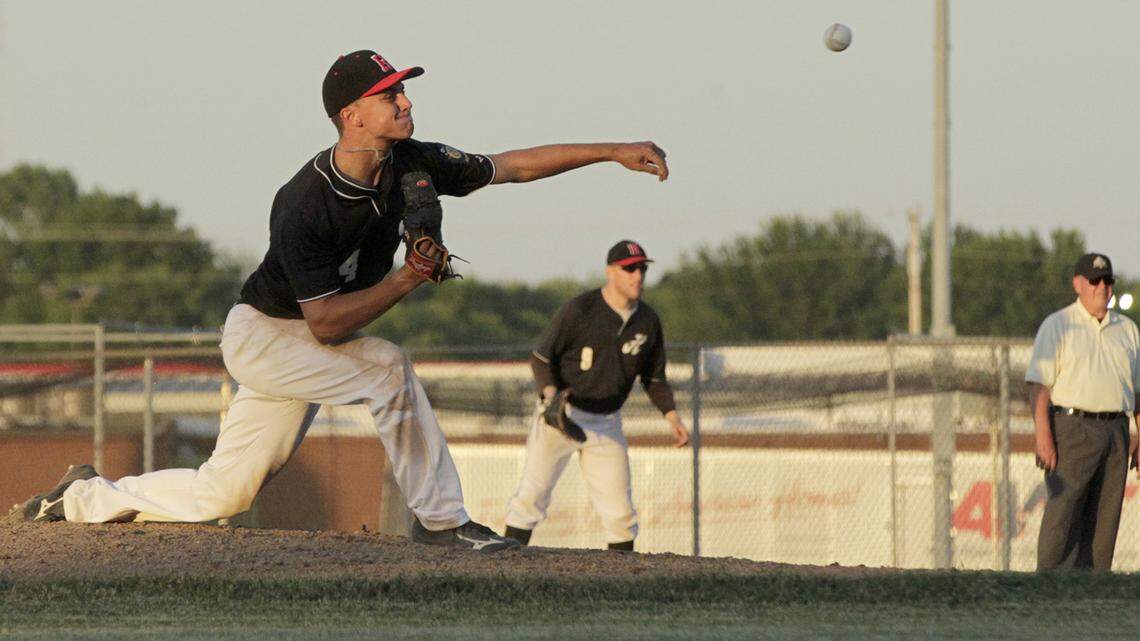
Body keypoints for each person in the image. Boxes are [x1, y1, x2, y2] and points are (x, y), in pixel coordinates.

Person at [11, 50, 671, 553]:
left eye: (403, 89)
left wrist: (612, 151)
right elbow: (326, 325)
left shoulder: (409, 161)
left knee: (223, 493)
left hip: (305, 341)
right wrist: (408, 278)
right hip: (267, 335)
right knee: (387, 368)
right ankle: (443, 522)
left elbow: (510, 166)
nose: (405, 101)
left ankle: (83, 496)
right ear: (352, 115)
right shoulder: (305, 203)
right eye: (390, 94)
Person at [503, 240, 690, 551]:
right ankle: (504, 569)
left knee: (621, 515)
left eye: (642, 269)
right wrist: (551, 398)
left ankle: (621, 578)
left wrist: (672, 416)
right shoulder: (581, 310)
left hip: (606, 422)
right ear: (610, 271)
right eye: (629, 269)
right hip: (562, 416)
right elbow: (541, 358)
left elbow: (654, 378)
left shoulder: (647, 320)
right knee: (530, 500)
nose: (637, 275)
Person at [1025, 252, 1140, 570]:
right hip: (1072, 428)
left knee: (1105, 517)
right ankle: (1051, 584)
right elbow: (1039, 386)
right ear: (1078, 283)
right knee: (1064, 511)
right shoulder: (1059, 324)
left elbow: (1138, 392)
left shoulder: (1127, 330)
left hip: (1116, 430)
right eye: (1094, 280)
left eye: (1107, 280)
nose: (1102, 286)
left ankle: (1093, 587)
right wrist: (1043, 436)